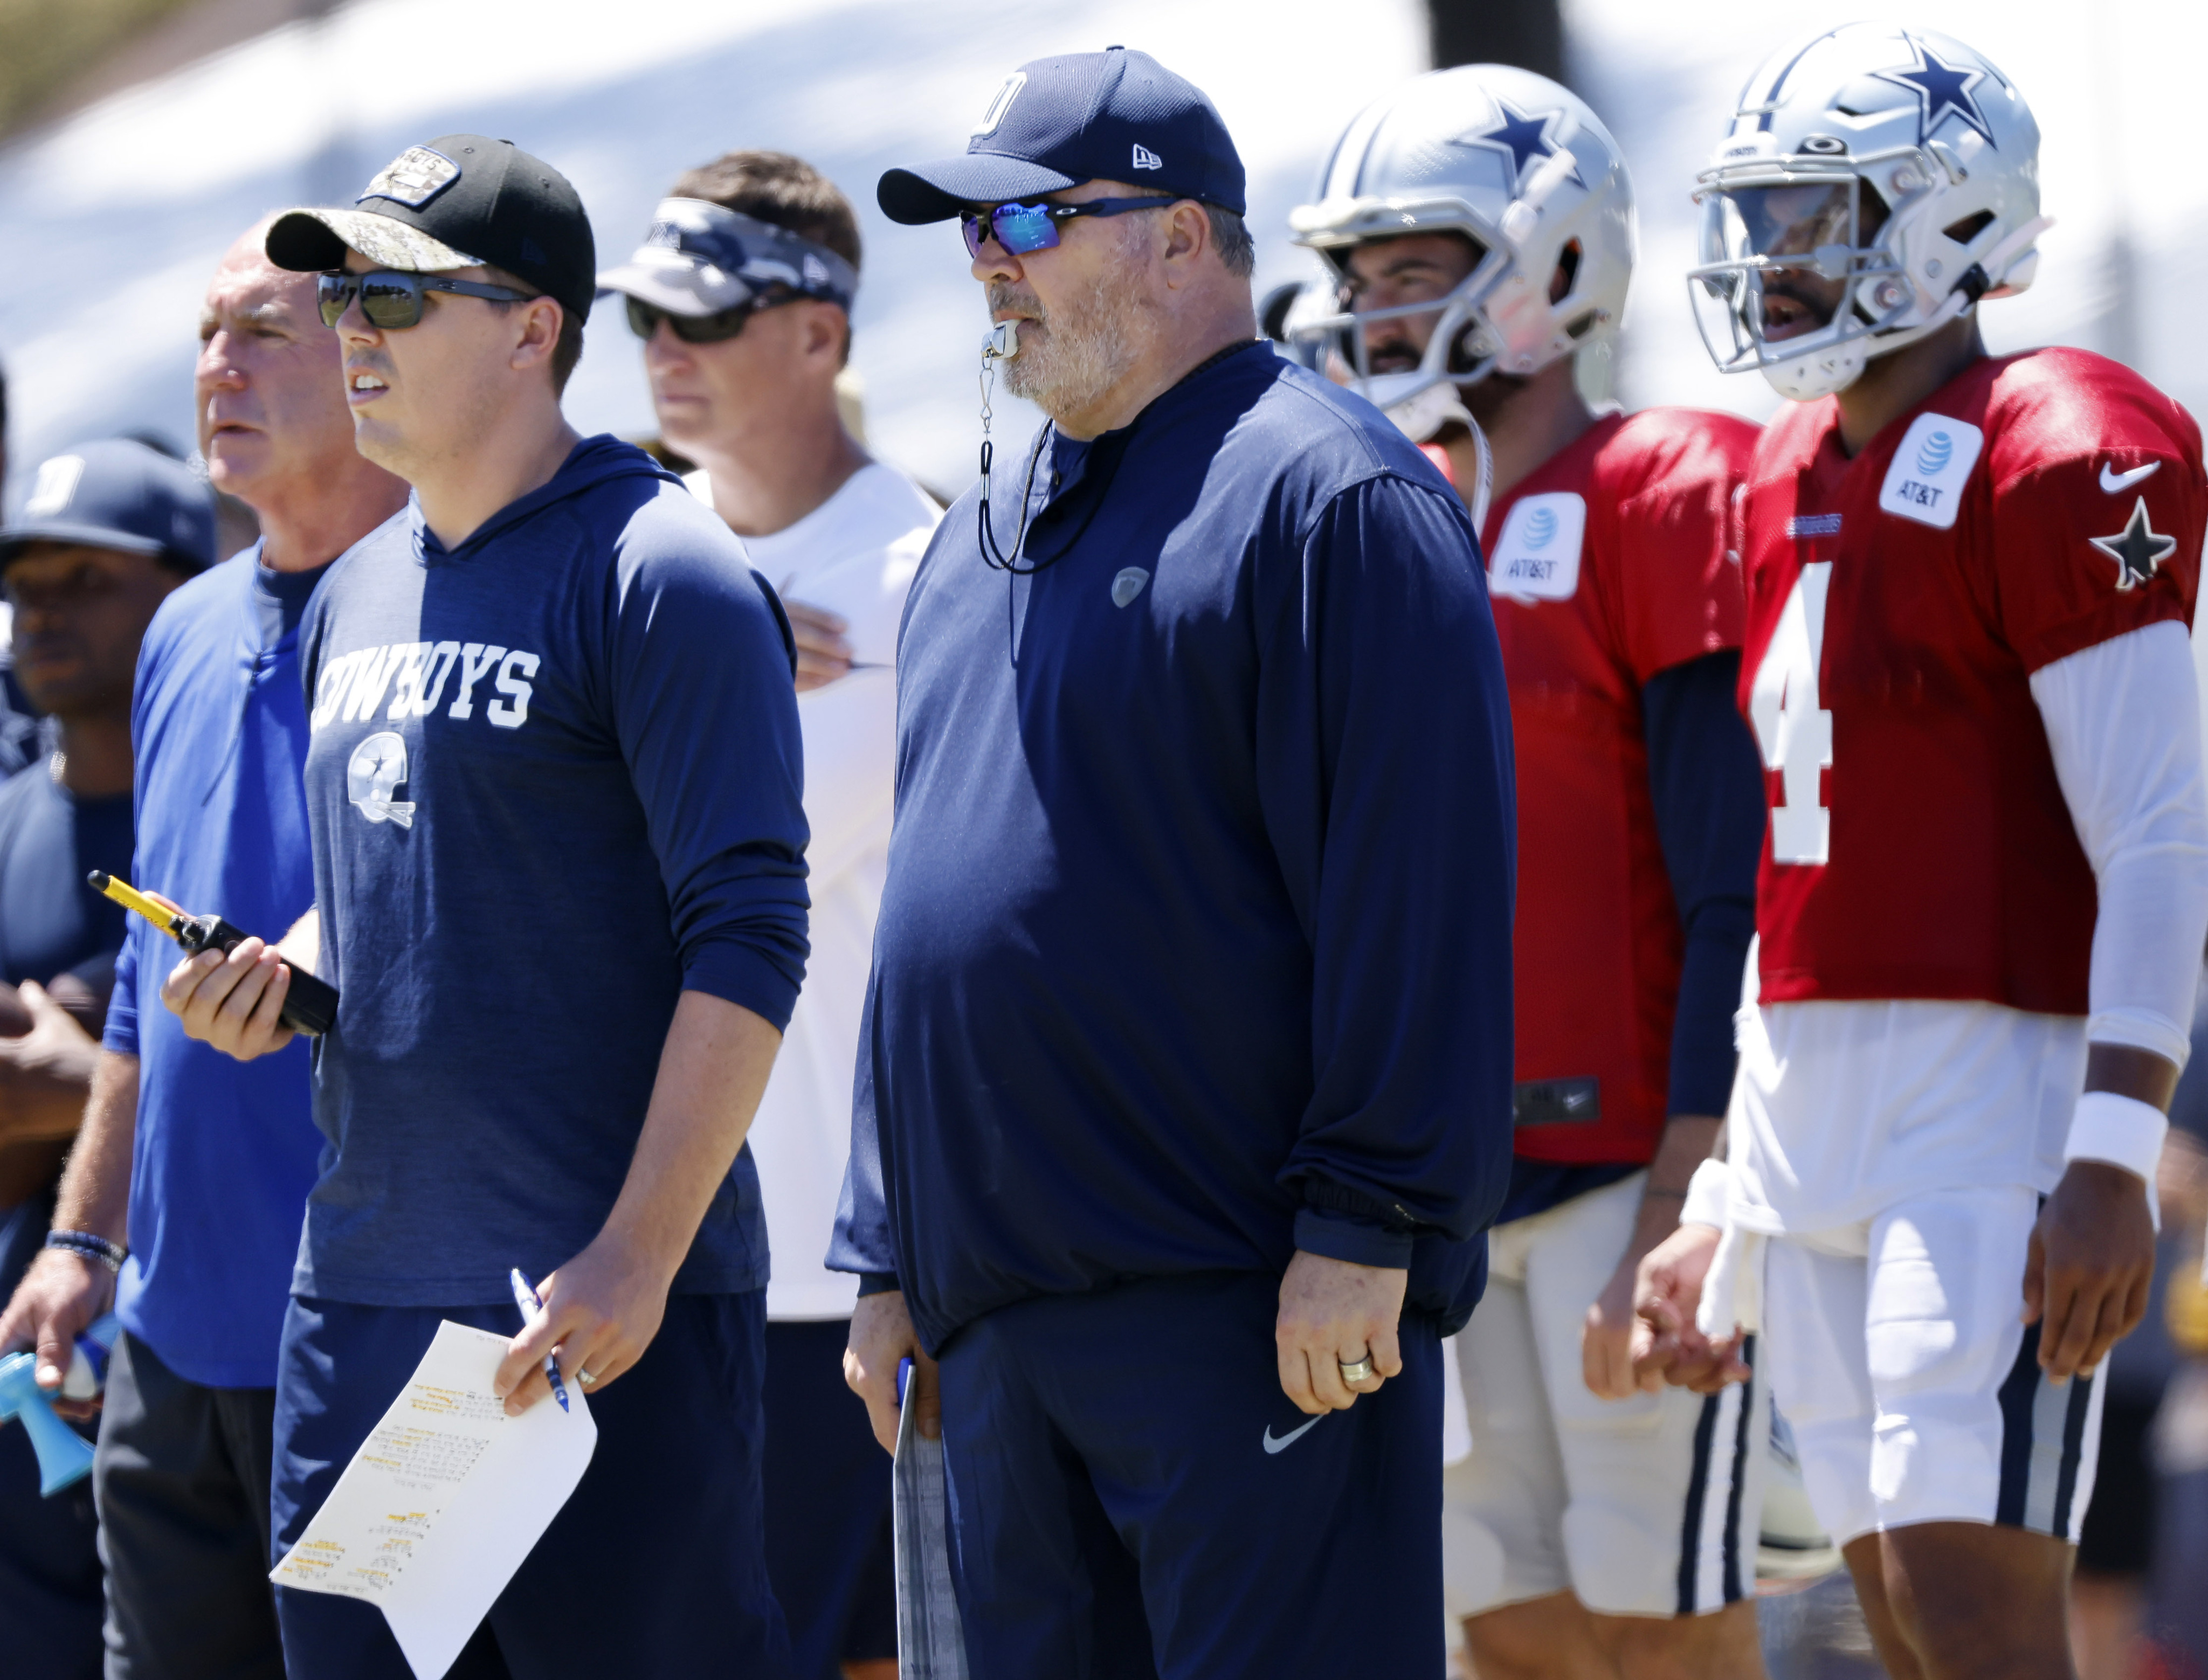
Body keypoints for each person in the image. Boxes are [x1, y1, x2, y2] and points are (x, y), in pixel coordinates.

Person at [833, 47, 1517, 1679]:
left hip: (1252, 1308)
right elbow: (923, 912)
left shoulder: (1330, 492)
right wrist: (885, 1250)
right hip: (998, 1329)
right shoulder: (985, 531)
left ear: (1186, 236)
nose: (990, 258)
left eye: (1032, 218)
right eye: (970, 228)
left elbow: (1418, 891)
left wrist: (1371, 1210)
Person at [172, 134, 810, 1679]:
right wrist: (286, 972)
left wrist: (640, 1252)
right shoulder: (352, 590)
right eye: (342, 296)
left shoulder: (664, 571)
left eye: (394, 293)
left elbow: (750, 933)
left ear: (534, 327)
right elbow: (404, 891)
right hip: (367, 1304)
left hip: (589, 1316)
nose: (354, 335)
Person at [1633, 25, 2208, 1680]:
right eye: (1763, 217)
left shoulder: (2059, 436)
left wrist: (2112, 1141)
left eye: (1813, 217)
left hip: (1990, 1100)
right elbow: (1790, 862)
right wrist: (1731, 1180)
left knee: (1973, 1599)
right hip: (1814, 1101)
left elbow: (2160, 829)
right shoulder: (1778, 471)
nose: (1770, 259)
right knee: (1887, 1604)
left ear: (1948, 218)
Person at [1287, 64, 1769, 1680]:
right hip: (1435, 1187)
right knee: (1505, 1630)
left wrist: (1689, 1188)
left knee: (1664, 1629)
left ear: (1553, 267)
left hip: (1624, 1162)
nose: (1370, 310)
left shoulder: (1658, 488)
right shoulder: (1390, 509)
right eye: (1356, 276)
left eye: (1412, 267)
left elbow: (1731, 878)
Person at [0, 220, 409, 1680]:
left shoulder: (457, 607)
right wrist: (81, 1233)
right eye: (205, 334)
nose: (216, 369)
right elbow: (140, 1001)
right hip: (171, 1347)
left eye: (262, 333)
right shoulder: (178, 630)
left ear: (371, 357)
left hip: (376, 1334)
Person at [598, 149, 933, 1680]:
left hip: (843, 1257)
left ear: (823, 330)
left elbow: (716, 879)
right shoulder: (630, 566)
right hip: (641, 1251)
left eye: (707, 317)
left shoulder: (928, 573)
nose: (667, 349)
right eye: (646, 318)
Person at [0, 439, 213, 1677]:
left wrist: (88, 1088)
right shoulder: (13, 819)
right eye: (27, 581)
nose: (44, 607)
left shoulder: (237, 803)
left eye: (90, 576)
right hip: (32, 1378)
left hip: (203, 1367)